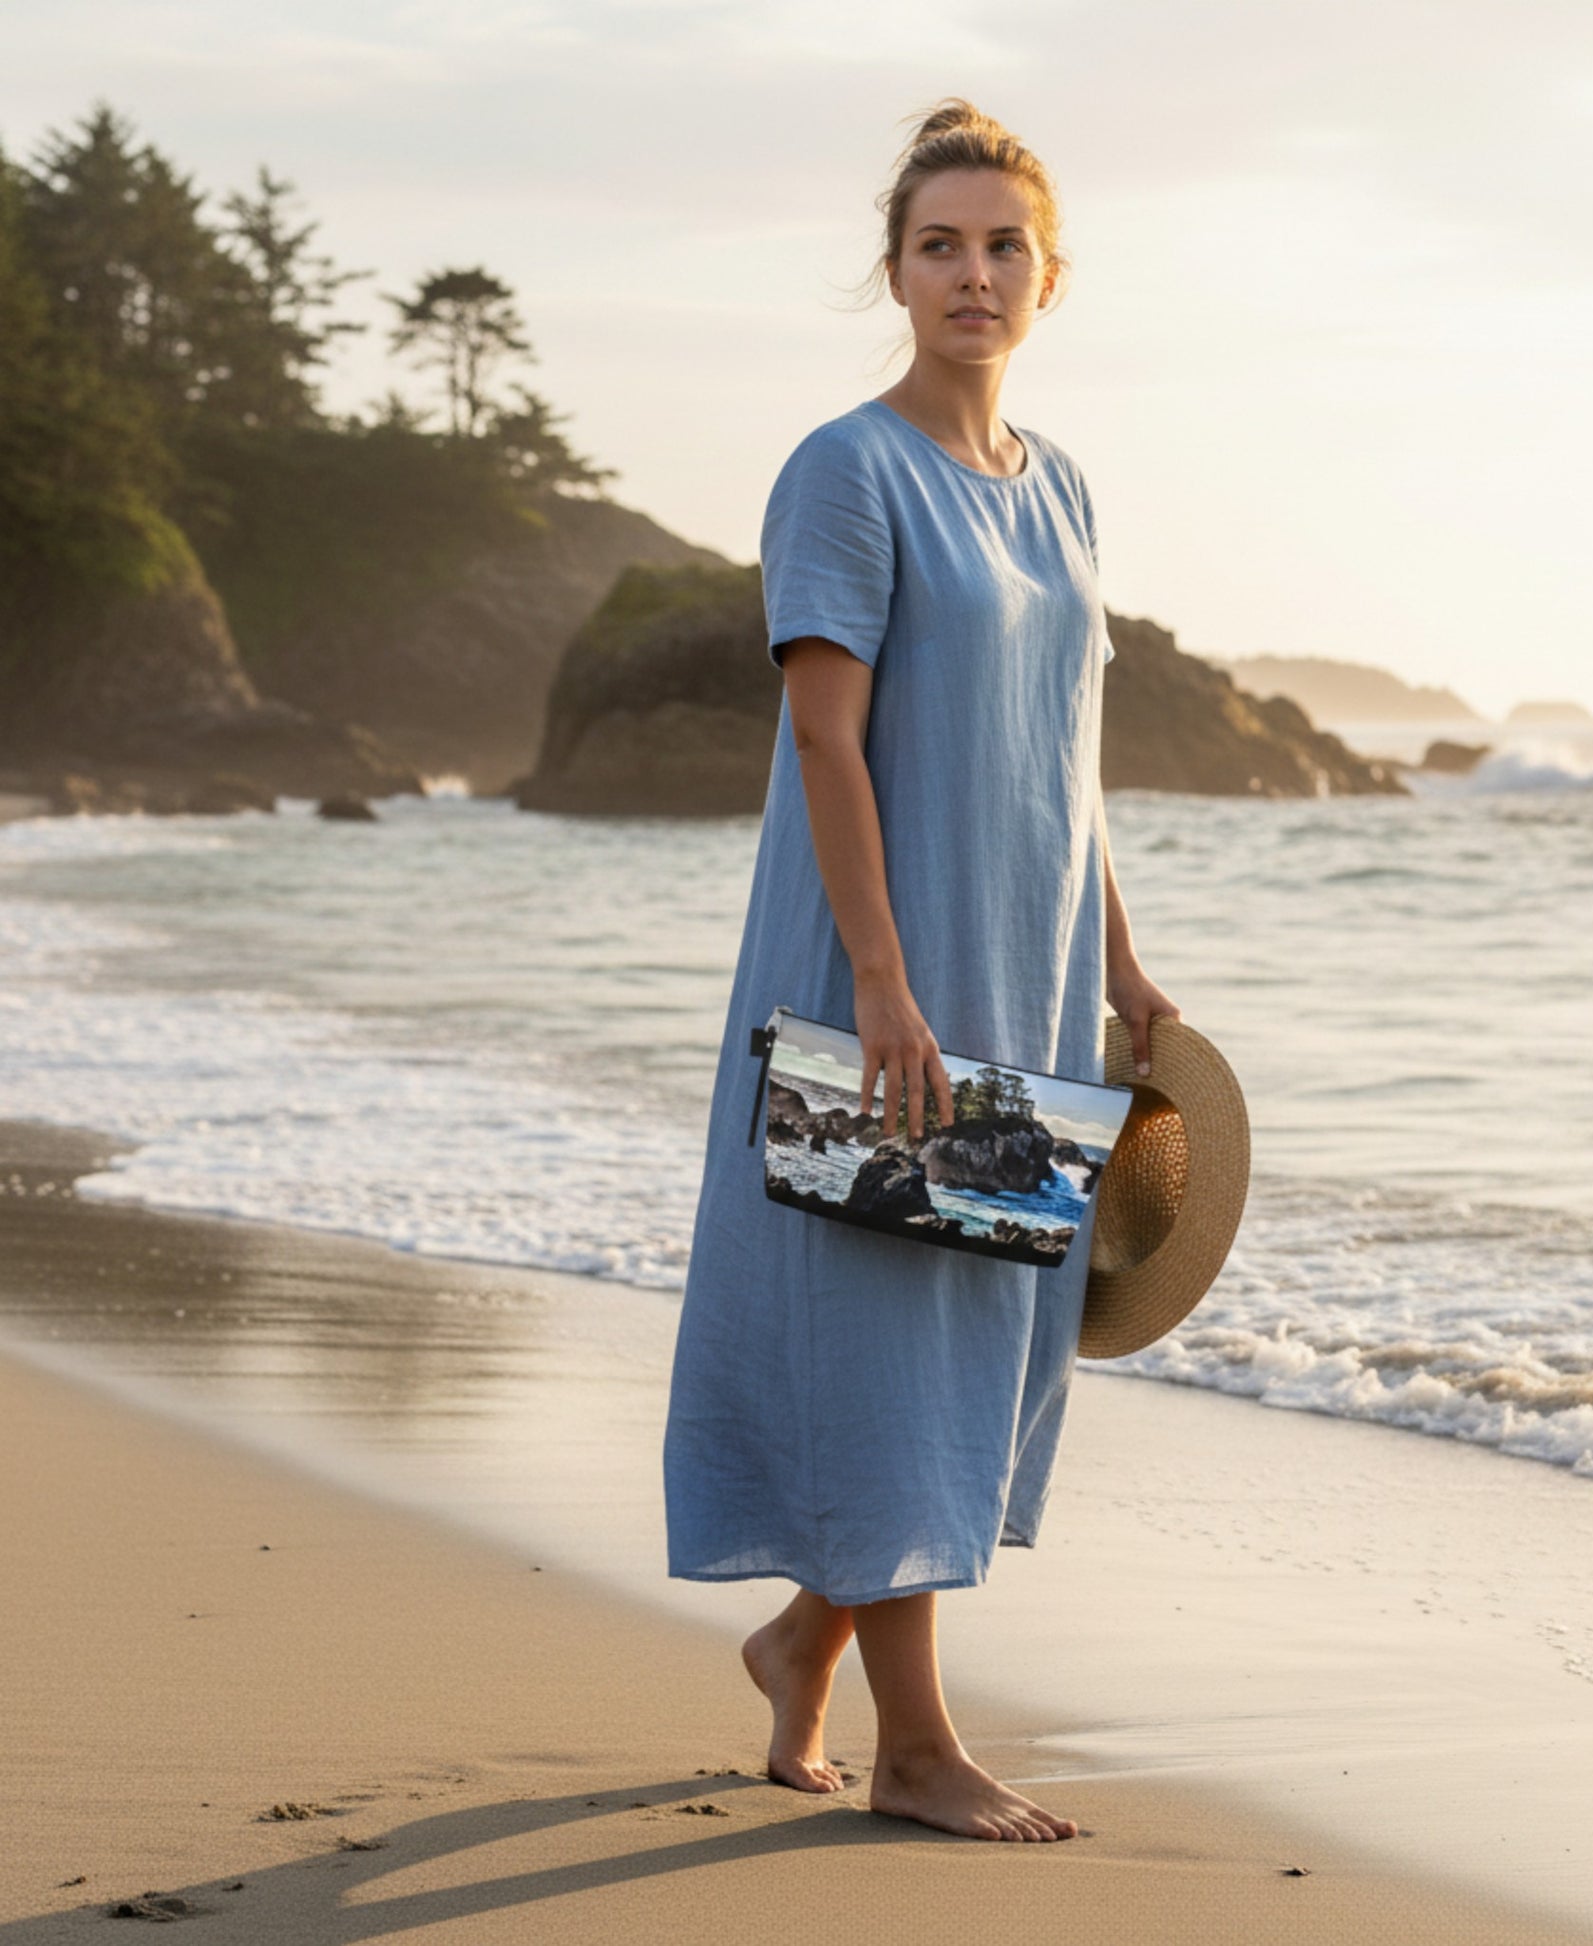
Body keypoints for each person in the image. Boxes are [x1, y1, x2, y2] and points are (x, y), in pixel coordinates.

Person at [661, 97, 1180, 1845]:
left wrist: (1121, 961)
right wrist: (883, 989)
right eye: (939, 244)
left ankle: (803, 1642)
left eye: (1001, 244)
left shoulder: (1070, 488)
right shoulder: (844, 469)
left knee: (970, 1320)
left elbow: (1071, 754)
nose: (972, 272)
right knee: (894, 1323)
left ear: (1048, 274)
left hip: (1022, 967)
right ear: (892, 272)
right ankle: (917, 1743)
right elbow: (826, 742)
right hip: (883, 962)